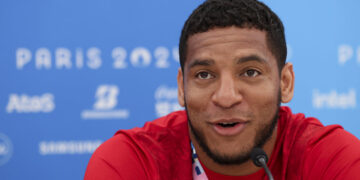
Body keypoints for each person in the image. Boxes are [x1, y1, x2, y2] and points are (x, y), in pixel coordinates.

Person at [84, 0, 360, 179]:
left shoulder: (333, 158)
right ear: (182, 88)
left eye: (250, 72)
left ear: (285, 83)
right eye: (204, 75)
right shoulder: (130, 162)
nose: (226, 97)